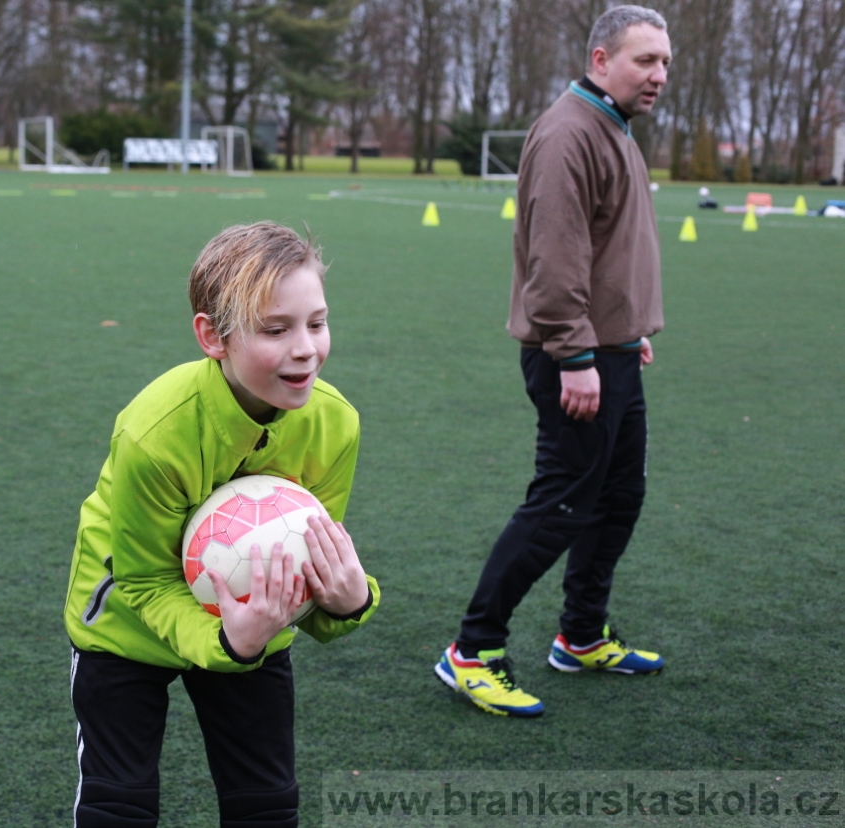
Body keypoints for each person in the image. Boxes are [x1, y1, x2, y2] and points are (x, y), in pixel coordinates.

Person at [64, 221, 380, 826]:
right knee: (118, 804)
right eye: (276, 329)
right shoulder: (155, 433)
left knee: (266, 804)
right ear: (214, 337)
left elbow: (311, 561)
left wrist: (348, 602)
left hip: (258, 626)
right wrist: (230, 641)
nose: (306, 348)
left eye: (317, 323)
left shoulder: (335, 424)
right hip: (128, 622)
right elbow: (145, 581)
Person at [435, 5, 672, 718]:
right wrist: (574, 351)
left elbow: (607, 247)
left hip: (612, 348)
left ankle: (580, 635)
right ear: (601, 59)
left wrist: (627, 329)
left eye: (665, 62)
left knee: (619, 497)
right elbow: (555, 258)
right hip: (575, 357)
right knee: (562, 504)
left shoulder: (613, 125)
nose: (659, 75)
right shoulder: (571, 132)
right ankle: (472, 650)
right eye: (645, 60)